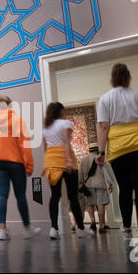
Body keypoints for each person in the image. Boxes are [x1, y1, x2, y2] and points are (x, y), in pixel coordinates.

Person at [96, 63, 138, 241]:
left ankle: (127, 227)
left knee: (125, 188)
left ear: (112, 78)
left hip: (119, 148)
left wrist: (101, 152)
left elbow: (103, 127)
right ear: (128, 77)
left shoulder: (105, 99)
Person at [0, 96, 41, 241]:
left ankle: (2, 231)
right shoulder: (18, 120)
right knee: (20, 196)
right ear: (10, 105)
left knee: (2, 194)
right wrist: (29, 165)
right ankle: (27, 229)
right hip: (15, 163)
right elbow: (24, 144)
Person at [42, 102, 93, 239]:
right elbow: (65, 141)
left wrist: (46, 164)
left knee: (55, 196)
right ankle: (81, 229)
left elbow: (45, 148)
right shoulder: (65, 124)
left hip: (51, 161)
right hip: (65, 160)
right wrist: (68, 160)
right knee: (73, 197)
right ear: (61, 112)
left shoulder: (46, 128)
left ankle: (53, 229)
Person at [79, 143, 116, 233]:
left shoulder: (84, 160)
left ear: (89, 150)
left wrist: (82, 183)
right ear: (97, 150)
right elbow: (106, 172)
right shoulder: (101, 159)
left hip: (88, 184)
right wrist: (110, 183)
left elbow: (80, 174)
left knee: (90, 204)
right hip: (100, 184)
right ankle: (101, 225)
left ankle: (92, 222)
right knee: (101, 204)